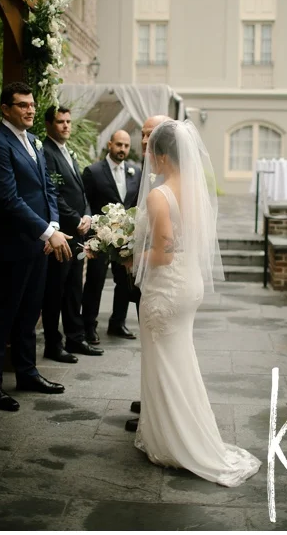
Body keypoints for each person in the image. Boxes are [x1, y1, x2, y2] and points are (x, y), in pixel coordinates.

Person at [131, 120, 260, 486]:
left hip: (166, 288)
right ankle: (177, 431)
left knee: (164, 363)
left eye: (151, 153)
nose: (149, 160)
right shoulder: (194, 189)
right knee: (179, 360)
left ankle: (174, 441)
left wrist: (132, 258)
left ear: (161, 155)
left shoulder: (160, 194)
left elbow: (164, 253)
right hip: (190, 285)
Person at [0, 83, 72, 412]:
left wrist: (53, 228)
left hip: (40, 243)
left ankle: (28, 373)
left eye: (32, 105)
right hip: (13, 246)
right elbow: (7, 199)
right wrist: (47, 232)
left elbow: (47, 189)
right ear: (5, 109)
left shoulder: (34, 142)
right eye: (22, 105)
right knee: (4, 315)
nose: (30, 110)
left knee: (31, 313)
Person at [40, 106, 98, 363]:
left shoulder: (67, 151)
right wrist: (75, 219)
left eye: (68, 121)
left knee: (75, 286)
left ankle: (76, 337)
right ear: (49, 124)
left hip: (78, 230)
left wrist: (86, 214)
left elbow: (80, 192)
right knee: (56, 290)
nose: (65, 125)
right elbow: (53, 193)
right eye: (60, 121)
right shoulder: (47, 152)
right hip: (61, 232)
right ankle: (53, 344)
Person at [125, 114, 172, 433]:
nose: (144, 140)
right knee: (155, 344)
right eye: (141, 134)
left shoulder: (164, 181)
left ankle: (159, 411)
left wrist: (132, 257)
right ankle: (152, 399)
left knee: (162, 344)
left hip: (161, 273)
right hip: (156, 273)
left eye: (150, 134)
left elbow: (166, 245)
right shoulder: (154, 172)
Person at [81, 130, 141, 342]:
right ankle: (88, 325)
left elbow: (135, 203)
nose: (122, 149)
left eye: (126, 145)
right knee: (95, 281)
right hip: (100, 237)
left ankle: (118, 323)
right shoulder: (93, 171)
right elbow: (85, 201)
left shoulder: (136, 170)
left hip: (125, 239)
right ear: (110, 144)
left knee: (124, 282)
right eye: (119, 145)